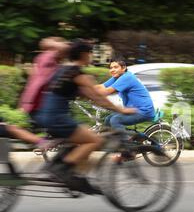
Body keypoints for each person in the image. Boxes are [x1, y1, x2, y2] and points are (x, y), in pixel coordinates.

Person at [34, 39, 137, 189]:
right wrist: (121, 110)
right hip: (57, 118)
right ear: (83, 54)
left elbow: (88, 95)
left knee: (85, 134)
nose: (90, 56)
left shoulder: (63, 69)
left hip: (46, 115)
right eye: (90, 53)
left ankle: (76, 176)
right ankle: (61, 170)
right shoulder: (77, 73)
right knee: (94, 141)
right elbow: (97, 97)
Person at [94, 59, 155, 136]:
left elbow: (106, 91)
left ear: (123, 68)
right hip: (131, 110)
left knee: (116, 120)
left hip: (143, 111)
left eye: (115, 67)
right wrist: (82, 88)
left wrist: (89, 94)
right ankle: (109, 142)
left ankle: (125, 144)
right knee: (108, 119)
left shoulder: (127, 77)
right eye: (111, 68)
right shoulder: (117, 77)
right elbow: (101, 86)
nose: (112, 70)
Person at [19, 37, 70, 120]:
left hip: (38, 103)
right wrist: (27, 103)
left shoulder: (44, 57)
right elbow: (39, 82)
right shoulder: (48, 58)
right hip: (39, 104)